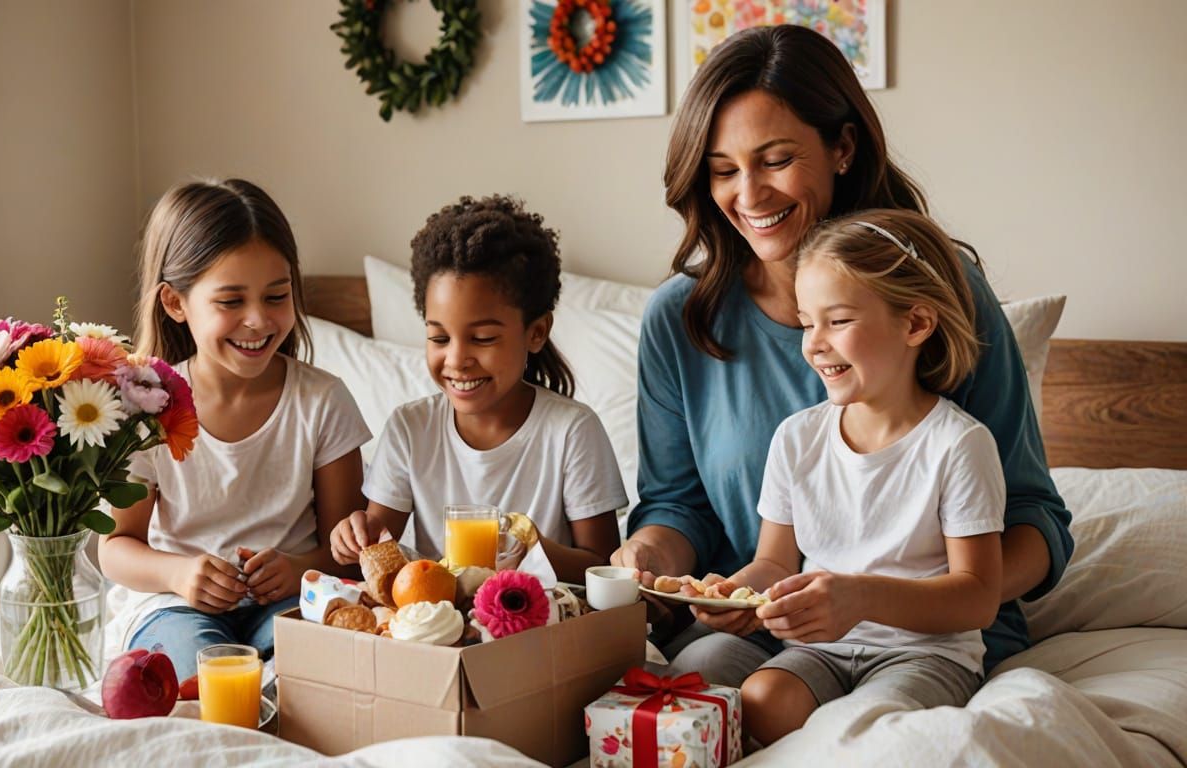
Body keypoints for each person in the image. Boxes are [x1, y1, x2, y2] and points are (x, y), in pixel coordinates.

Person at [614, 24, 1072, 675]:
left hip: (929, 645)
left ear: (843, 147)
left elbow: (1034, 522)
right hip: (768, 631)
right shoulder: (677, 320)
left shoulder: (945, 295)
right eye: (722, 171)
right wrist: (654, 559)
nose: (749, 195)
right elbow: (676, 507)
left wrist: (891, 601)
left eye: (775, 160)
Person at [699, 209, 1005, 746]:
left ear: (914, 324)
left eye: (837, 321)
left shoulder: (959, 445)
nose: (814, 343)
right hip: (820, 649)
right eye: (806, 321)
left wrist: (860, 597)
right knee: (762, 704)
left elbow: (978, 597)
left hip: (925, 653)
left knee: (867, 732)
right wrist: (734, 594)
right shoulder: (797, 438)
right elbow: (773, 562)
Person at [100, 178, 371, 680]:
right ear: (176, 303)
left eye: (276, 296)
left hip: (290, 600)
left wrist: (298, 568)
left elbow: (349, 554)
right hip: (175, 606)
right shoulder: (147, 407)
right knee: (203, 678)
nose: (258, 321)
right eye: (230, 302)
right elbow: (115, 547)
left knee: (318, 669)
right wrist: (179, 573)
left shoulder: (322, 401)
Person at [328, 194, 626, 583]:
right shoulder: (410, 427)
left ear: (536, 332)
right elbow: (380, 547)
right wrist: (353, 536)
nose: (456, 359)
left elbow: (601, 568)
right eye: (439, 338)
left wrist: (528, 548)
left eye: (483, 338)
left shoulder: (571, 431)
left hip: (540, 624)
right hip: (443, 629)